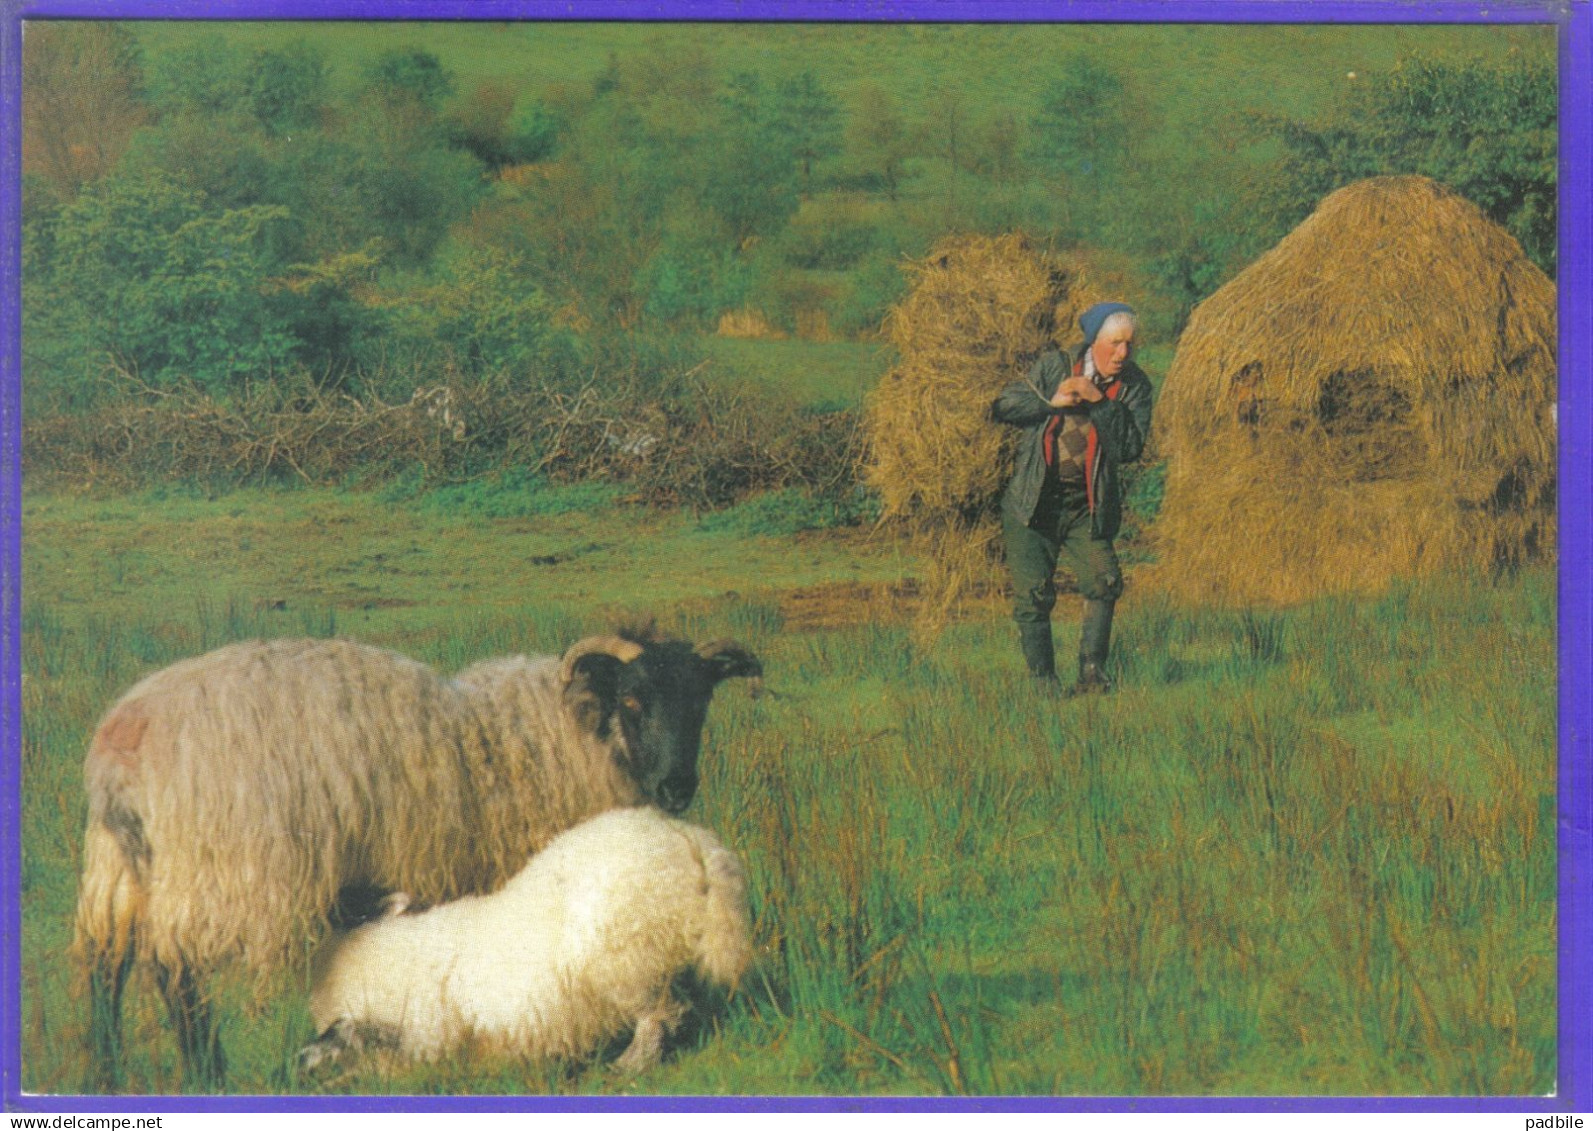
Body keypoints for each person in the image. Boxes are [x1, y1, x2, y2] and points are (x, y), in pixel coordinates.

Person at [990, 302, 1154, 693]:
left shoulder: (1135, 386)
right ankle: (1044, 683)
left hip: (1088, 506)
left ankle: (1092, 675)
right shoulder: (1053, 366)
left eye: (1130, 345)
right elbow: (1004, 405)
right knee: (1033, 596)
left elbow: (1129, 447)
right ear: (1093, 342)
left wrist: (1097, 401)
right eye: (1115, 344)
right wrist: (1050, 403)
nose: (1123, 354)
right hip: (1034, 503)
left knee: (1104, 580)